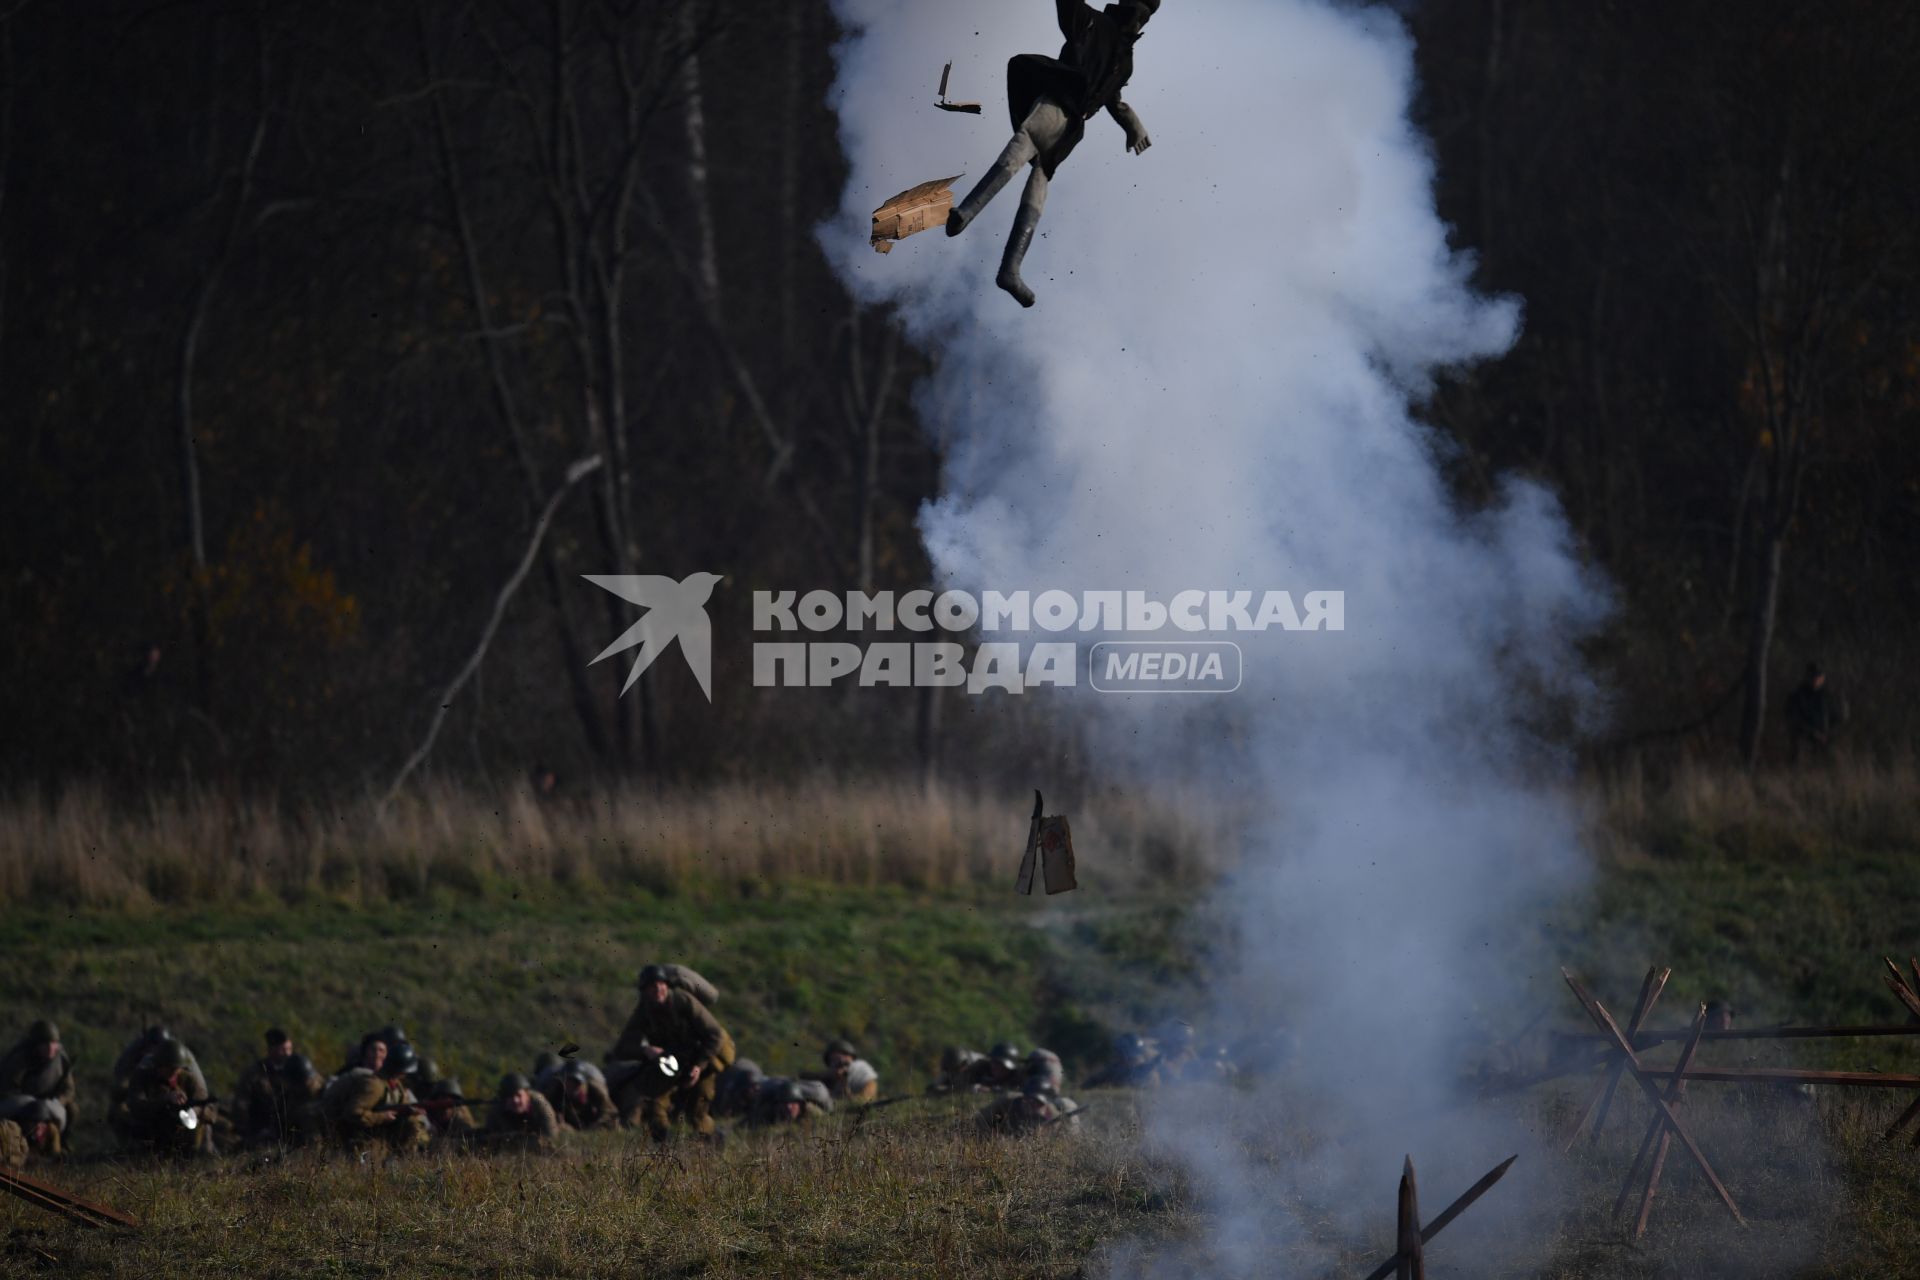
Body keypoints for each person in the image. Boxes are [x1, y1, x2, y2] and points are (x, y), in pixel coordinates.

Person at [946, 0, 1159, 306]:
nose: (1141, 20)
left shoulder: (1125, 60)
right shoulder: (1094, 24)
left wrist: (1132, 125)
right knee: (1021, 151)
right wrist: (1132, 125)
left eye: (1146, 16)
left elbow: (1113, 98)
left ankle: (1010, 267)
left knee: (1039, 182)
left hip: (1072, 127)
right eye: (1140, 11)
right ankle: (967, 214)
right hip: (1058, 103)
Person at [607, 963, 736, 1141]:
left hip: (702, 1057)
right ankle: (664, 1148)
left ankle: (713, 1142)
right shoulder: (644, 1012)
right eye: (652, 987)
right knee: (654, 1104)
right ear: (644, 992)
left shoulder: (683, 1001)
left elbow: (714, 1034)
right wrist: (645, 1050)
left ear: (667, 986)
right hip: (673, 1062)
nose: (658, 990)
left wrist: (699, 1066)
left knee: (696, 1112)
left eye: (661, 985)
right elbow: (622, 1047)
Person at [321, 1039, 430, 1154]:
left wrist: (409, 1111)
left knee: (412, 1123)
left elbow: (401, 1105)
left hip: (381, 1134)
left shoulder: (396, 1085)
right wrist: (382, 1117)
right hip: (363, 1138)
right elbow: (353, 1114)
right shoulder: (374, 1085)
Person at [118, 1038, 217, 1155]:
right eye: (169, 1069)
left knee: (204, 1129)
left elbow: (208, 1107)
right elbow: (136, 1106)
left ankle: (200, 1158)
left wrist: (193, 1112)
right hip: (153, 1133)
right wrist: (165, 1100)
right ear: (158, 1065)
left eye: (176, 1069)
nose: (173, 1073)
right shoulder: (142, 1078)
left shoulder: (188, 1079)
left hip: (184, 1134)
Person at [0, 1020, 75, 1155]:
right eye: (45, 1044)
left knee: (72, 1109)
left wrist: (57, 1101)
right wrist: (29, 1103)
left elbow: (68, 1089)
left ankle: (62, 1144)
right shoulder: (19, 1058)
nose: (51, 1048)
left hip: (49, 1103)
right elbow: (7, 1089)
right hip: (21, 1104)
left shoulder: (61, 1059)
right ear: (35, 1045)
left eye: (54, 1043)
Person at [236, 1027, 318, 1147]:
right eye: (283, 1050)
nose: (287, 1054)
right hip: (262, 1125)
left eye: (289, 1049)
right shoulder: (255, 1073)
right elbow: (241, 1104)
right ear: (271, 1049)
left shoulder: (298, 1067)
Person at [480, 1073, 561, 1153]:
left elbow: (551, 1137)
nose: (515, 1100)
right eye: (510, 1096)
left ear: (527, 1095)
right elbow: (489, 1138)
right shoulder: (497, 1109)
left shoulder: (541, 1105)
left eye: (518, 1095)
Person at [977, 1078, 1081, 1136]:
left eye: (1038, 1102)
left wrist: (1041, 1136)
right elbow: (979, 1120)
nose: (1032, 1104)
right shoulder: (1007, 1101)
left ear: (1045, 1103)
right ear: (1023, 1096)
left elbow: (1059, 1146)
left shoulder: (1053, 1117)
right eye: (1029, 1099)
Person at [544, 1061, 619, 1131]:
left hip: (593, 1123)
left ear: (583, 1082)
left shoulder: (595, 1090)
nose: (572, 1086)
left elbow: (610, 1111)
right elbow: (545, 1111)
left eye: (576, 1082)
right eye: (568, 1082)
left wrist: (597, 1124)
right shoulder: (555, 1091)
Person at [1785, 664, 1835, 763]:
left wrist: (1827, 733)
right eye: (1814, 676)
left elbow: (1834, 716)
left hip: (1824, 738)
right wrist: (1813, 732)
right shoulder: (1798, 695)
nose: (1817, 680)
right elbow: (1794, 718)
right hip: (1804, 738)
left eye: (1819, 677)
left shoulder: (1826, 696)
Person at [804, 1038, 879, 1104]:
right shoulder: (827, 1077)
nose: (841, 1061)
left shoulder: (861, 1070)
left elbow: (864, 1100)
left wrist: (844, 1084)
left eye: (844, 1056)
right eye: (834, 1060)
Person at [1084, 1032, 1160, 1089]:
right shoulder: (1114, 1070)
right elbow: (1093, 1081)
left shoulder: (1148, 1069)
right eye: (1121, 1054)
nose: (1123, 1057)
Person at [747, 1079, 831, 1128]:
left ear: (800, 1104)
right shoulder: (769, 1113)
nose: (788, 1107)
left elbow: (825, 1123)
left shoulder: (812, 1112)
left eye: (793, 1103)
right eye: (784, 1103)